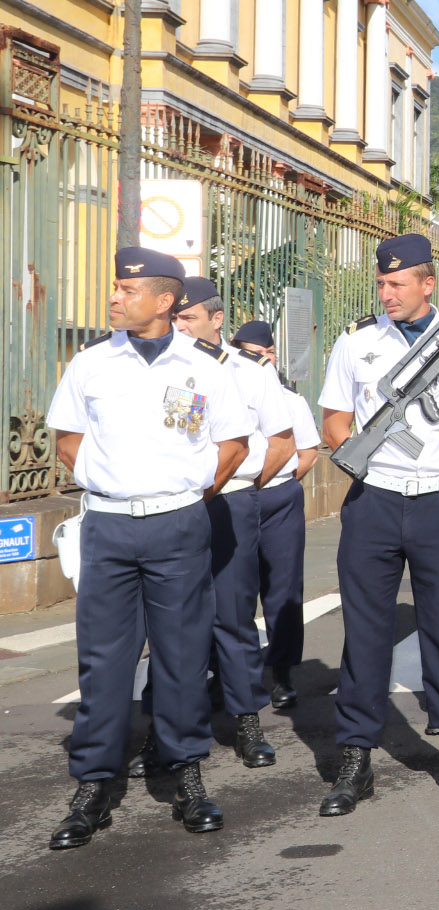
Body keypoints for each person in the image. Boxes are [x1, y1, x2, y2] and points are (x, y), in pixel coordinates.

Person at [45, 247, 252, 849]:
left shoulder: (207, 368)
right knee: (103, 660)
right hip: (108, 525)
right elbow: (67, 440)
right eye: (114, 288)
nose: (114, 297)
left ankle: (185, 771)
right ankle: (94, 783)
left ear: (165, 301)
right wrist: (117, 486)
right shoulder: (90, 364)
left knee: (183, 654)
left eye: (126, 290)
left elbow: (233, 446)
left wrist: (181, 493)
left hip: (179, 525)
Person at [316, 233, 439, 816]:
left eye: (397, 283)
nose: (386, 291)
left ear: (427, 283)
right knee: (365, 632)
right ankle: (355, 757)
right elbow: (335, 420)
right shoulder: (358, 342)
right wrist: (370, 456)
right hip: (374, 501)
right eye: (381, 282)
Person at [154, 277, 295, 774]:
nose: (180, 327)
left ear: (218, 320)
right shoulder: (162, 368)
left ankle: (247, 721)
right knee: (172, 620)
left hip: (230, 502)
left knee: (234, 617)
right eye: (176, 319)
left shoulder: (251, 371)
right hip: (174, 505)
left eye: (189, 318)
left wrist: (246, 488)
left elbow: (281, 441)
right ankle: (164, 723)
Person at [228, 321, 319, 712]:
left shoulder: (291, 400)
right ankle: (231, 673)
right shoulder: (225, 392)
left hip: (278, 497)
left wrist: (273, 485)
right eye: (248, 351)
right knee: (234, 592)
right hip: (234, 497)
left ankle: (281, 671)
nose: (257, 359)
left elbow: (307, 453)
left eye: (263, 353)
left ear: (272, 356)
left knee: (282, 588)